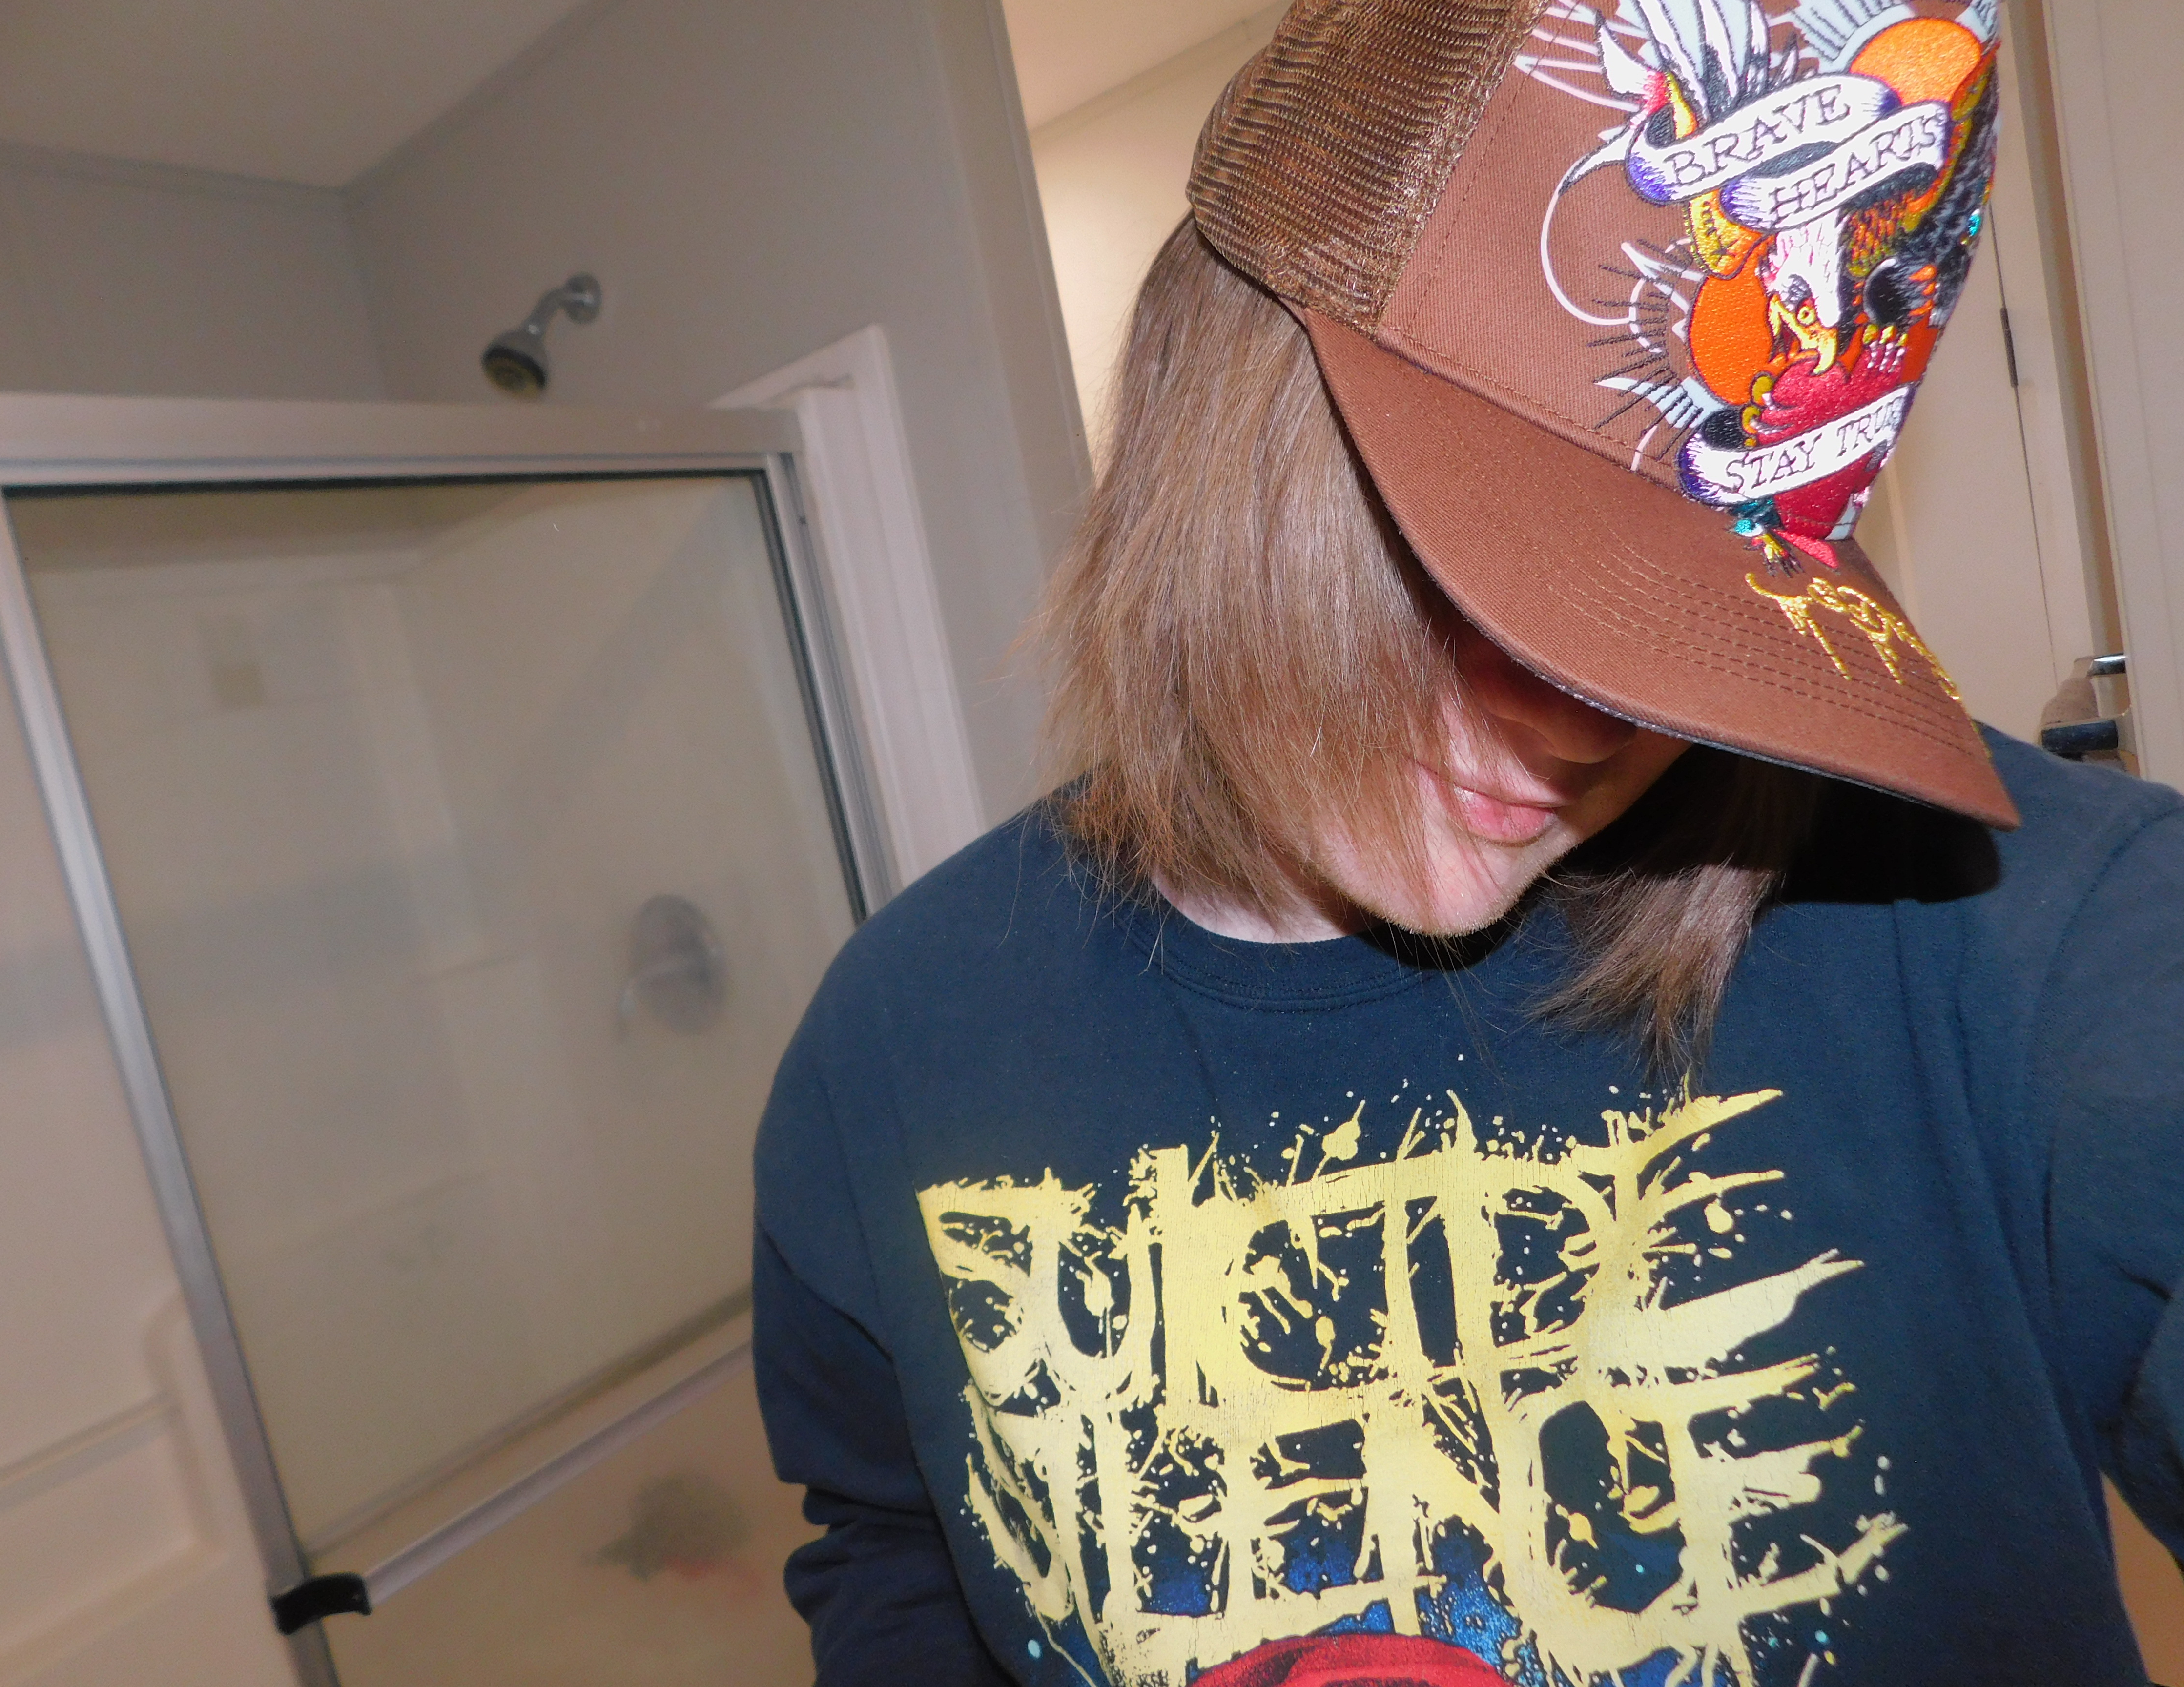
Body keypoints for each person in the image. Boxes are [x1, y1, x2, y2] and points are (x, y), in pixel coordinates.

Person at [752, 0, 2184, 1682]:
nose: (1590, 719)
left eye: (1688, 617)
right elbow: (897, 1542)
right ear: (1218, 420)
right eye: (1487, 557)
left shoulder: (2035, 937)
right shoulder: (896, 1047)